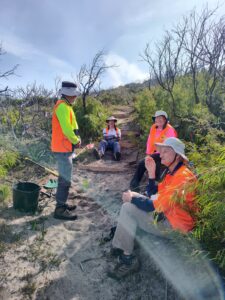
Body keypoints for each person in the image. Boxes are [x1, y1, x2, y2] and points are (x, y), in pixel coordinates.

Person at [107, 137, 197, 280]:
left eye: (165, 151)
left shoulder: (182, 177)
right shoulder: (173, 172)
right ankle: (123, 242)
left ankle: (128, 258)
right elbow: (153, 193)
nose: (160, 154)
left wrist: (133, 199)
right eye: (161, 151)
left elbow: (154, 205)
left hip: (174, 227)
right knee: (134, 196)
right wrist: (151, 173)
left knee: (128, 206)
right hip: (168, 216)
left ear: (178, 156)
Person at [51, 81, 81, 220]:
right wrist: (76, 140)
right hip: (63, 148)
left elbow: (70, 126)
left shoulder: (66, 105)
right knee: (64, 179)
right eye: (73, 95)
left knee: (64, 178)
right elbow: (67, 130)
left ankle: (62, 204)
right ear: (68, 94)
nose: (75, 97)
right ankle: (60, 209)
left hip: (65, 148)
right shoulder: (62, 106)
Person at [130, 110, 177, 192]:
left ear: (165, 119)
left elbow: (172, 146)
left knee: (148, 163)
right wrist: (148, 153)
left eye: (161, 118)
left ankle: (151, 188)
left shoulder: (170, 130)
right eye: (157, 118)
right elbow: (149, 141)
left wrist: (161, 155)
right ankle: (135, 185)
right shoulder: (153, 127)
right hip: (154, 153)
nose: (158, 120)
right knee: (145, 163)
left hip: (166, 154)